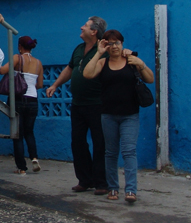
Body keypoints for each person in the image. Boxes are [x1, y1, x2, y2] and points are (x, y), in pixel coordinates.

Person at [83, 29, 154, 203]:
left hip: (130, 115)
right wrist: (98, 52)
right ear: (105, 45)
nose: (114, 46)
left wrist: (141, 63)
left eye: (117, 43)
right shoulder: (102, 63)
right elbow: (87, 73)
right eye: (110, 43)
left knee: (129, 152)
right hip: (108, 115)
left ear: (122, 43)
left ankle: (131, 190)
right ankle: (113, 188)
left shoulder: (131, 61)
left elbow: (150, 79)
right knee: (111, 153)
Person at [46, 16, 109, 195]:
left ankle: (101, 182)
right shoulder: (79, 49)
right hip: (78, 104)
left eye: (85, 26)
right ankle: (84, 179)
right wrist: (55, 85)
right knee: (78, 142)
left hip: (97, 104)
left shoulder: (103, 50)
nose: (81, 28)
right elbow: (70, 68)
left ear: (94, 31)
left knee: (100, 144)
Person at [0, 35, 43, 174]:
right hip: (32, 101)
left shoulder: (17, 57)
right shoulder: (38, 63)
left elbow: (2, 71)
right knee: (29, 132)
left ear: (19, 46)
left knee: (17, 135)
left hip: (18, 99)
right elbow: (40, 85)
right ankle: (34, 157)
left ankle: (21, 168)